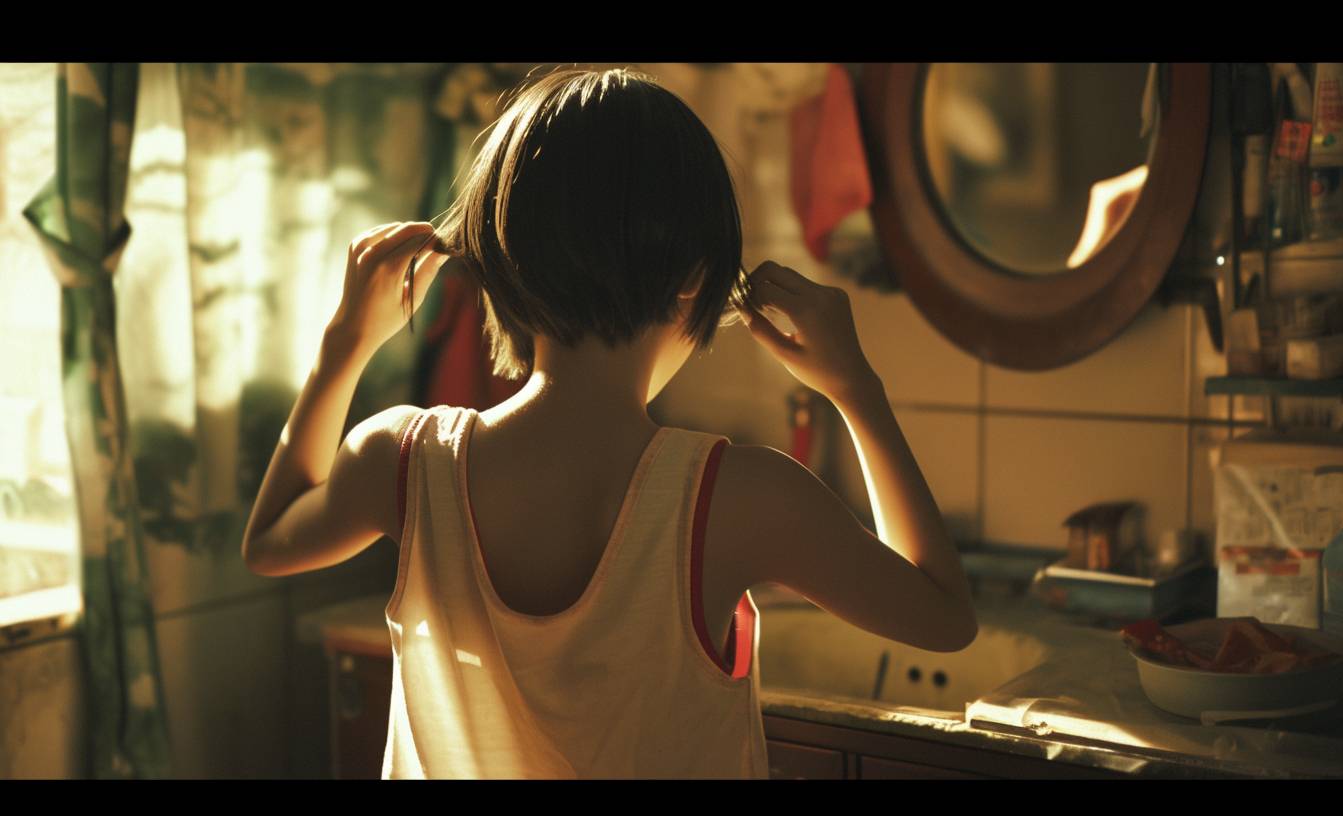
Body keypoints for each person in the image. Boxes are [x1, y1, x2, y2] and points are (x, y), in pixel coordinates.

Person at [240, 67, 977, 779]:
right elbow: (945, 618)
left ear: (501, 269)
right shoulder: (738, 497)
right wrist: (857, 390)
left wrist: (343, 350)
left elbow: (270, 542)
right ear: (697, 281)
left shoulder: (401, 458)